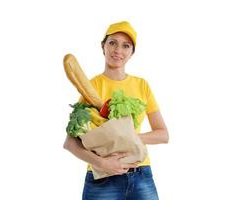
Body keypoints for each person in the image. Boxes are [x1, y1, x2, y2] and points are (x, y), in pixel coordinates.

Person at [64, 21, 169, 200]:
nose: (118, 50)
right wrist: (103, 163)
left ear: (131, 54)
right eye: (112, 42)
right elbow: (70, 143)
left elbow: (163, 134)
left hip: (140, 174)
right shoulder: (90, 87)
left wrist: (131, 137)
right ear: (103, 46)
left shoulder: (141, 85)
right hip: (102, 180)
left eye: (125, 45)